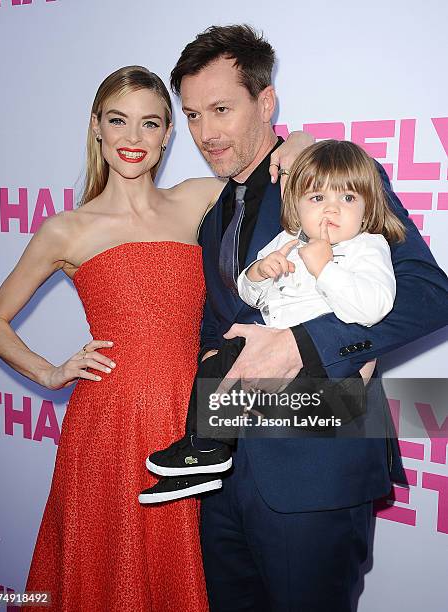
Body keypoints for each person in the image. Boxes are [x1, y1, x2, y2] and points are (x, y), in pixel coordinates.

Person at [0, 64, 301, 611]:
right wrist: (50, 372)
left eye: (151, 124)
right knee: (112, 575)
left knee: (201, 570)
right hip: (111, 423)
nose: (134, 139)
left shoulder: (198, 197)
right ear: (97, 128)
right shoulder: (66, 229)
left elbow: (272, 159)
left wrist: (303, 141)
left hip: (192, 412)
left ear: (168, 134)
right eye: (119, 121)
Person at [151, 25, 448, 611]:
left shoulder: (327, 180)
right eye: (191, 115)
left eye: (221, 109)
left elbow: (427, 291)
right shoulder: (214, 216)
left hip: (314, 466)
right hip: (223, 480)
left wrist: (306, 345)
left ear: (266, 102)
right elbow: (228, 322)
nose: (205, 132)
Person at [139, 139, 407, 503]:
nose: (332, 210)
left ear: (367, 205)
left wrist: (324, 268)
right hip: (266, 363)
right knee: (220, 360)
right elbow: (249, 294)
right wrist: (260, 273)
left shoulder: (367, 246)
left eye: (347, 199)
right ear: (296, 204)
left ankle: (211, 448)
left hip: (324, 373)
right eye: (317, 199)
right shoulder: (288, 240)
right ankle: (204, 450)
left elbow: (373, 308)